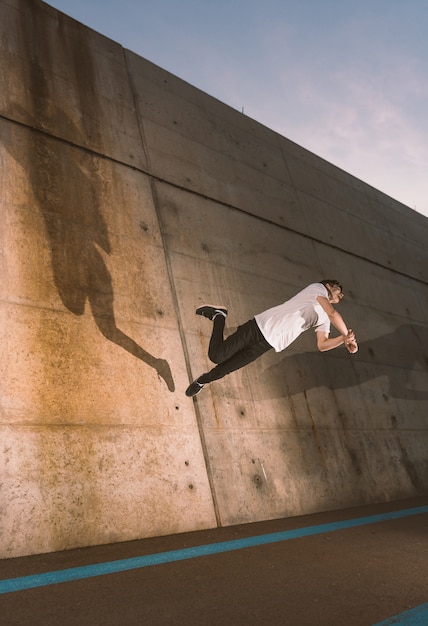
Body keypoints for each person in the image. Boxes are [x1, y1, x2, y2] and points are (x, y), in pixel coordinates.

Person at [185, 280, 358, 397]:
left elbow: (322, 344)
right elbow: (333, 313)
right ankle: (219, 316)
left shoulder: (325, 319)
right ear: (328, 286)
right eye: (339, 291)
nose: (341, 296)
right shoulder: (317, 289)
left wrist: (342, 340)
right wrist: (348, 337)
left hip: (269, 342)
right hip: (259, 326)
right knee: (217, 356)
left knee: (226, 368)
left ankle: (202, 381)